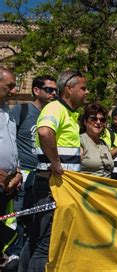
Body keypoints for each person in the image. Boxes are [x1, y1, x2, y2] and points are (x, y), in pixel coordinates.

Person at [19, 70, 87, 272]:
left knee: (36, 240)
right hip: (52, 188)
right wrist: (56, 162)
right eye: (83, 88)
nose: (86, 92)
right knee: (46, 244)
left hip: (55, 187)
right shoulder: (55, 108)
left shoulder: (67, 112)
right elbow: (44, 131)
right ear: (69, 88)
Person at [5, 75, 57, 270]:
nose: (53, 94)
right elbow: (10, 138)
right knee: (16, 217)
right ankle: (13, 257)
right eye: (49, 90)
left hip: (43, 177)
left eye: (55, 90)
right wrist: (16, 169)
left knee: (36, 222)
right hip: (22, 175)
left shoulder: (53, 114)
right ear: (36, 90)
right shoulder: (23, 110)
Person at [0, 67, 22, 256]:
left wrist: (17, 173)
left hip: (8, 185)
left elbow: (11, 145)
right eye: (10, 86)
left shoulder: (8, 111)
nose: (14, 90)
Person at [79, 103, 114, 177]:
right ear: (85, 121)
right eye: (93, 119)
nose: (98, 122)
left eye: (102, 120)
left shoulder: (104, 144)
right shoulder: (80, 141)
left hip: (106, 187)